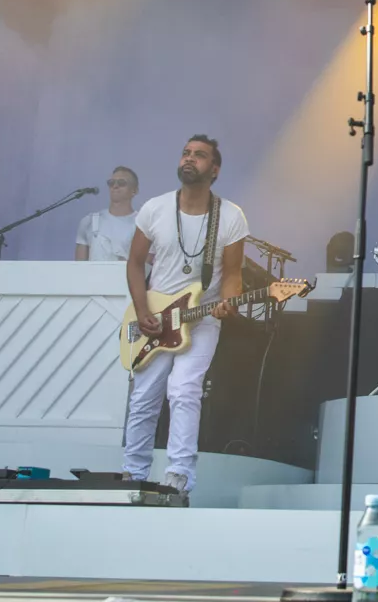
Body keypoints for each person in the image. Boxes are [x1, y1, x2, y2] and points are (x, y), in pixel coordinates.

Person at [122, 135, 249, 495]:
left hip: (202, 318)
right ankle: (132, 473)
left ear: (215, 170)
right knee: (144, 397)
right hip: (155, 318)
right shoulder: (155, 208)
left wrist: (228, 302)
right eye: (186, 153)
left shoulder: (231, 216)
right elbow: (134, 263)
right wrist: (143, 311)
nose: (190, 159)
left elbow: (233, 274)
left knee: (183, 390)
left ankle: (178, 476)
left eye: (200, 155)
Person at [74, 166, 139, 260]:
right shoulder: (89, 221)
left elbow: (143, 265)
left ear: (134, 191)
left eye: (121, 183)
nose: (115, 186)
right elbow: (79, 265)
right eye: (111, 183)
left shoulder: (141, 223)